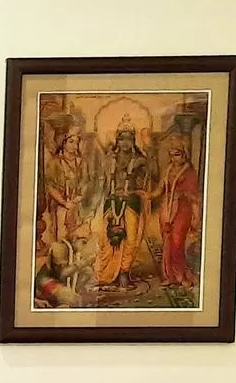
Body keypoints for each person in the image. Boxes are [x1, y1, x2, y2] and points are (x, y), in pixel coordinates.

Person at [94, 119, 150, 291]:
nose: (125, 142)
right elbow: (102, 182)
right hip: (111, 200)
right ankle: (107, 274)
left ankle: (124, 272)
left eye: (129, 139)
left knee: (131, 239)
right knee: (107, 238)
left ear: (133, 141)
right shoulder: (109, 158)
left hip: (131, 200)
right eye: (122, 139)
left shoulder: (140, 159)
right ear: (117, 140)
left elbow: (150, 176)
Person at [157, 141, 201, 288]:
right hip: (167, 208)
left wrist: (182, 194)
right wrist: (145, 195)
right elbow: (159, 190)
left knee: (177, 241)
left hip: (182, 209)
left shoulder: (189, 172)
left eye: (177, 154)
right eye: (172, 155)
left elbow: (195, 195)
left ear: (184, 155)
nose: (175, 158)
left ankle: (181, 274)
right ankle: (170, 276)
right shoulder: (168, 170)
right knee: (167, 240)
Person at [41, 133, 85, 244]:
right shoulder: (55, 163)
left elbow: (86, 182)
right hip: (60, 205)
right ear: (63, 143)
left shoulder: (81, 162)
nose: (74, 145)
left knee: (76, 237)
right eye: (71, 141)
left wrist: (79, 197)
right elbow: (50, 186)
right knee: (61, 238)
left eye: (77, 142)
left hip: (77, 205)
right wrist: (64, 203)